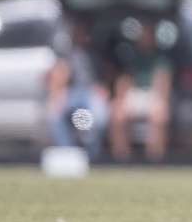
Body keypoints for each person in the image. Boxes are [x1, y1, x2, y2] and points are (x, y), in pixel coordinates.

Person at [107, 18, 174, 161]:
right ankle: (121, 158)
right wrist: (120, 98)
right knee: (117, 113)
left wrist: (160, 100)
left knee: (159, 114)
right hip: (134, 93)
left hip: (152, 94)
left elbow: (163, 82)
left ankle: (154, 158)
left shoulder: (160, 59)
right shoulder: (131, 57)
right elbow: (124, 80)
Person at [45, 18, 110, 158]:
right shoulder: (66, 54)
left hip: (91, 92)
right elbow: (59, 77)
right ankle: (67, 153)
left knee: (99, 117)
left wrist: (103, 89)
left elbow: (105, 79)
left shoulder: (96, 54)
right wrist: (57, 96)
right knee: (55, 113)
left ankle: (92, 155)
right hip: (72, 92)